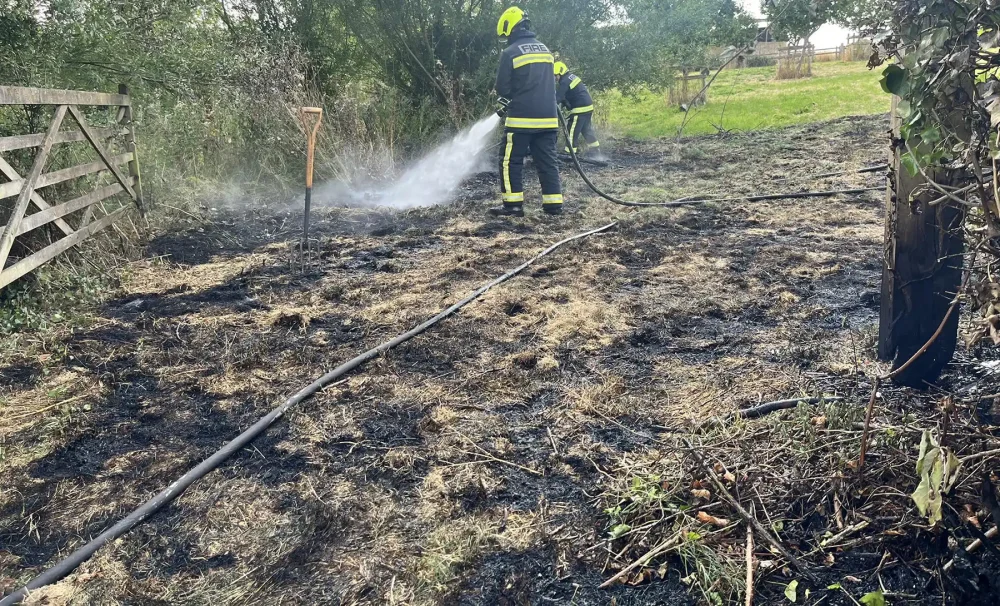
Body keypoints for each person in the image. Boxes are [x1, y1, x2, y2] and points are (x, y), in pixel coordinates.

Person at [490, 6, 563, 217]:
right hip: (549, 119)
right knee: (548, 162)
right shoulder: (545, 50)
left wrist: (505, 101)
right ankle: (553, 206)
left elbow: (503, 88)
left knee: (509, 161)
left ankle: (512, 206)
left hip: (521, 120)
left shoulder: (510, 52)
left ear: (510, 28)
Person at [554, 61, 602, 159]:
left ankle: (570, 153)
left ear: (560, 73)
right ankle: (595, 150)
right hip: (588, 107)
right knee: (586, 130)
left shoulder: (564, 81)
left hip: (580, 109)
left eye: (555, 75)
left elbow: (557, 98)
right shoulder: (571, 77)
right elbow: (569, 95)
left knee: (571, 130)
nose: (555, 78)